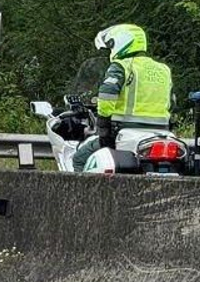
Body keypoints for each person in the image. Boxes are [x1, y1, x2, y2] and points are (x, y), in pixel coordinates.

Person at [73, 23, 173, 171]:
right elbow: (171, 102)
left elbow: (107, 96)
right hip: (162, 133)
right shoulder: (163, 69)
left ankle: (84, 194)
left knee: (80, 158)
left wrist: (103, 126)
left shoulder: (122, 66)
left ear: (121, 42)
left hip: (126, 132)